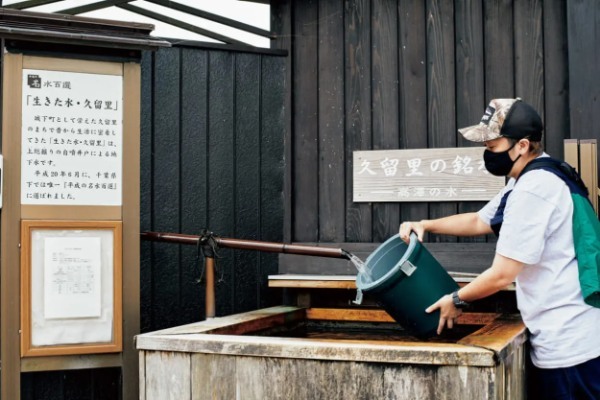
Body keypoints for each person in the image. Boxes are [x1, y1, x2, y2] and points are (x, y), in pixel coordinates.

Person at [399, 98, 600, 399]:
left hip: (569, 347)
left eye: (492, 146)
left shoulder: (534, 189)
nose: (487, 154)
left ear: (521, 145)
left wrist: (456, 299)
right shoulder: (532, 177)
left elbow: (502, 274)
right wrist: (426, 224)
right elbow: (479, 220)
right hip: (572, 337)